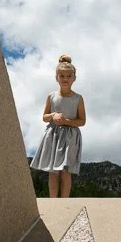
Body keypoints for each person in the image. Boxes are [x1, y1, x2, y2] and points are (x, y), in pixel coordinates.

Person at [30, 54, 87, 198]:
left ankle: (64, 202)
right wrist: (53, 115)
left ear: (74, 78)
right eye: (62, 76)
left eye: (69, 76)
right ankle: (53, 202)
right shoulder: (51, 96)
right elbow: (44, 117)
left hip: (69, 137)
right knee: (53, 171)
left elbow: (82, 121)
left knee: (66, 172)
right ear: (57, 78)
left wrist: (66, 121)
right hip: (53, 135)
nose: (65, 79)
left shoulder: (78, 98)